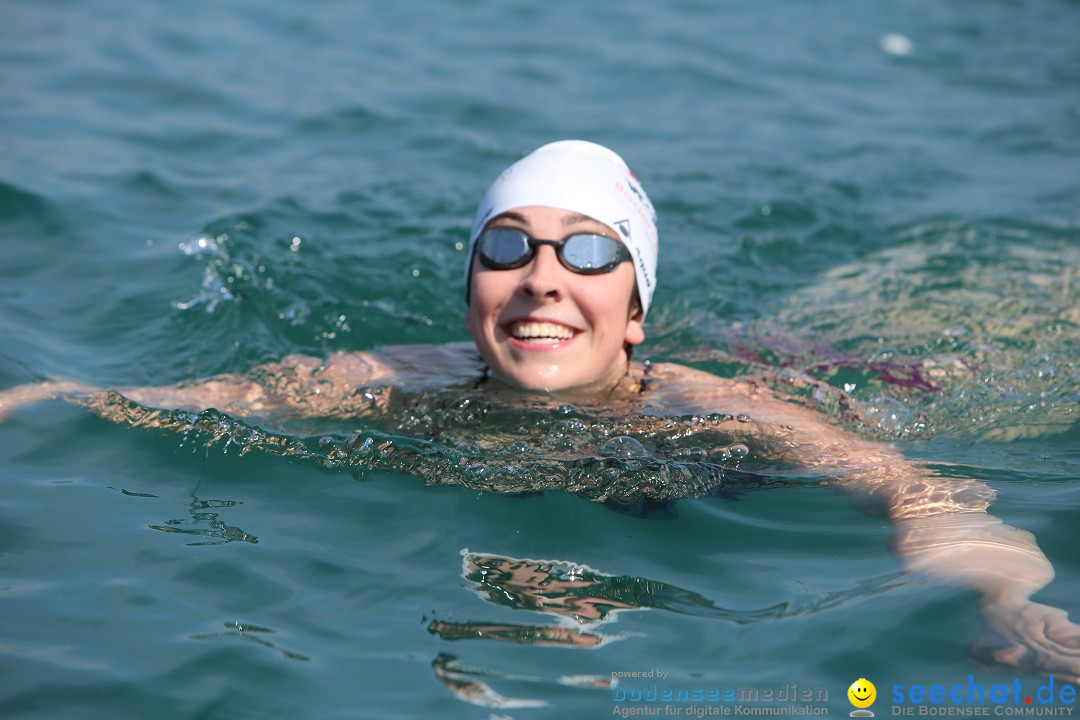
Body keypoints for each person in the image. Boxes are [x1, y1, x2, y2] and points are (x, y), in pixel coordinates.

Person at [1, 140, 1078, 682]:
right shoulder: (386, 377)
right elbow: (179, 400)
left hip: (859, 375)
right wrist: (31, 399)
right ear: (472, 291)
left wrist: (999, 592)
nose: (544, 278)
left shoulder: (711, 406)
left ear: (635, 309)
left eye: (592, 251)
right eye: (506, 245)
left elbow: (911, 485)